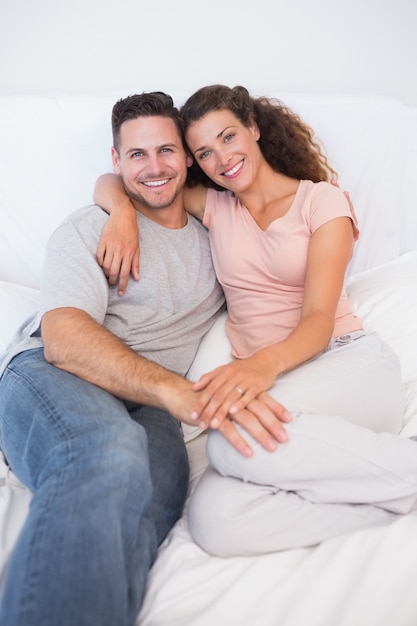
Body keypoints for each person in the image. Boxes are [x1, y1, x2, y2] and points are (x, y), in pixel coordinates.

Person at [0, 91, 292, 626]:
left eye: (167, 151)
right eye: (136, 155)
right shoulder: (91, 227)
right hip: (49, 374)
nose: (154, 168)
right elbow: (62, 338)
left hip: (145, 405)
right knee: (106, 451)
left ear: (187, 157)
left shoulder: (219, 231)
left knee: (156, 499)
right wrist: (171, 391)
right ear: (116, 161)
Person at [93, 85, 417, 559]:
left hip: (348, 366)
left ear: (254, 127)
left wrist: (261, 366)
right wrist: (120, 210)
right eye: (203, 152)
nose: (221, 159)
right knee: (213, 519)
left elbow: (318, 318)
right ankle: (394, 496)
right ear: (191, 162)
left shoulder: (321, 202)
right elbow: (117, 179)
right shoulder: (215, 207)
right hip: (278, 390)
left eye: (227, 137)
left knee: (229, 442)